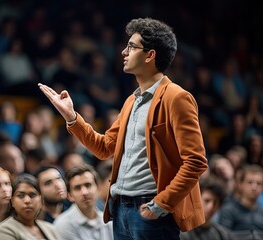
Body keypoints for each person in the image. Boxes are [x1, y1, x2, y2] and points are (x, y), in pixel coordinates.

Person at [39, 17, 208, 240]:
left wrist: (161, 204)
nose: (123, 52)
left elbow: (196, 161)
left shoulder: (177, 97)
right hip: (120, 208)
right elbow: (103, 147)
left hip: (150, 209)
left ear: (150, 55)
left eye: (131, 46)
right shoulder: (131, 101)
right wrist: (71, 117)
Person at [54, 164, 113, 240]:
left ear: (98, 188)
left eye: (88, 185)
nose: (84, 192)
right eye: (77, 188)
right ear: (70, 196)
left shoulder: (108, 221)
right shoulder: (63, 224)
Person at [0, 174, 60, 240]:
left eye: (32, 195)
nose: (27, 201)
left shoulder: (51, 229)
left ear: (41, 200)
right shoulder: (4, 230)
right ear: (12, 201)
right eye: (21, 196)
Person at [180, 175, 234, 240]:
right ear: (197, 200)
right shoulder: (183, 233)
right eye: (207, 201)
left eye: (215, 203)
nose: (211, 206)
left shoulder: (223, 234)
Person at [217, 164, 263, 235]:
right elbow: (224, 236)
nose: (254, 187)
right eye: (250, 182)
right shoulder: (228, 211)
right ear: (240, 184)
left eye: (259, 183)